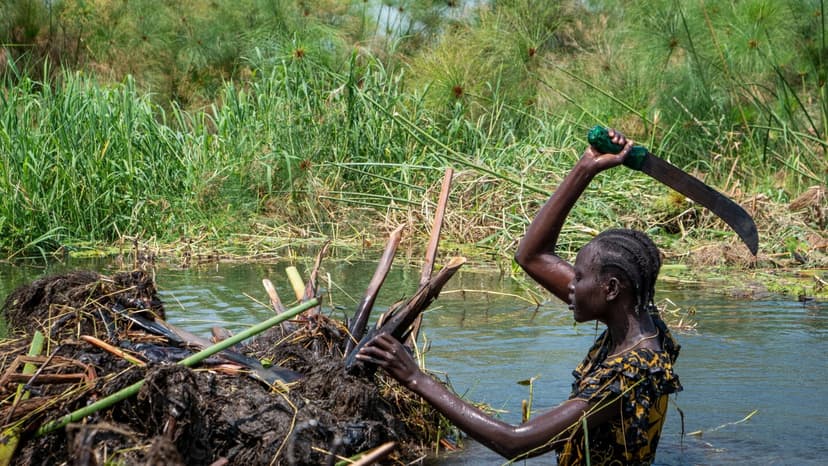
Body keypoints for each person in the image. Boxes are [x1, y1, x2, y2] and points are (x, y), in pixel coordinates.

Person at [357, 129, 682, 465]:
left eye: (580, 277)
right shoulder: (643, 323)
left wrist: (415, 377)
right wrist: (587, 166)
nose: (570, 283)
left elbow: (515, 443)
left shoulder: (630, 374)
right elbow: (533, 256)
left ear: (611, 289)